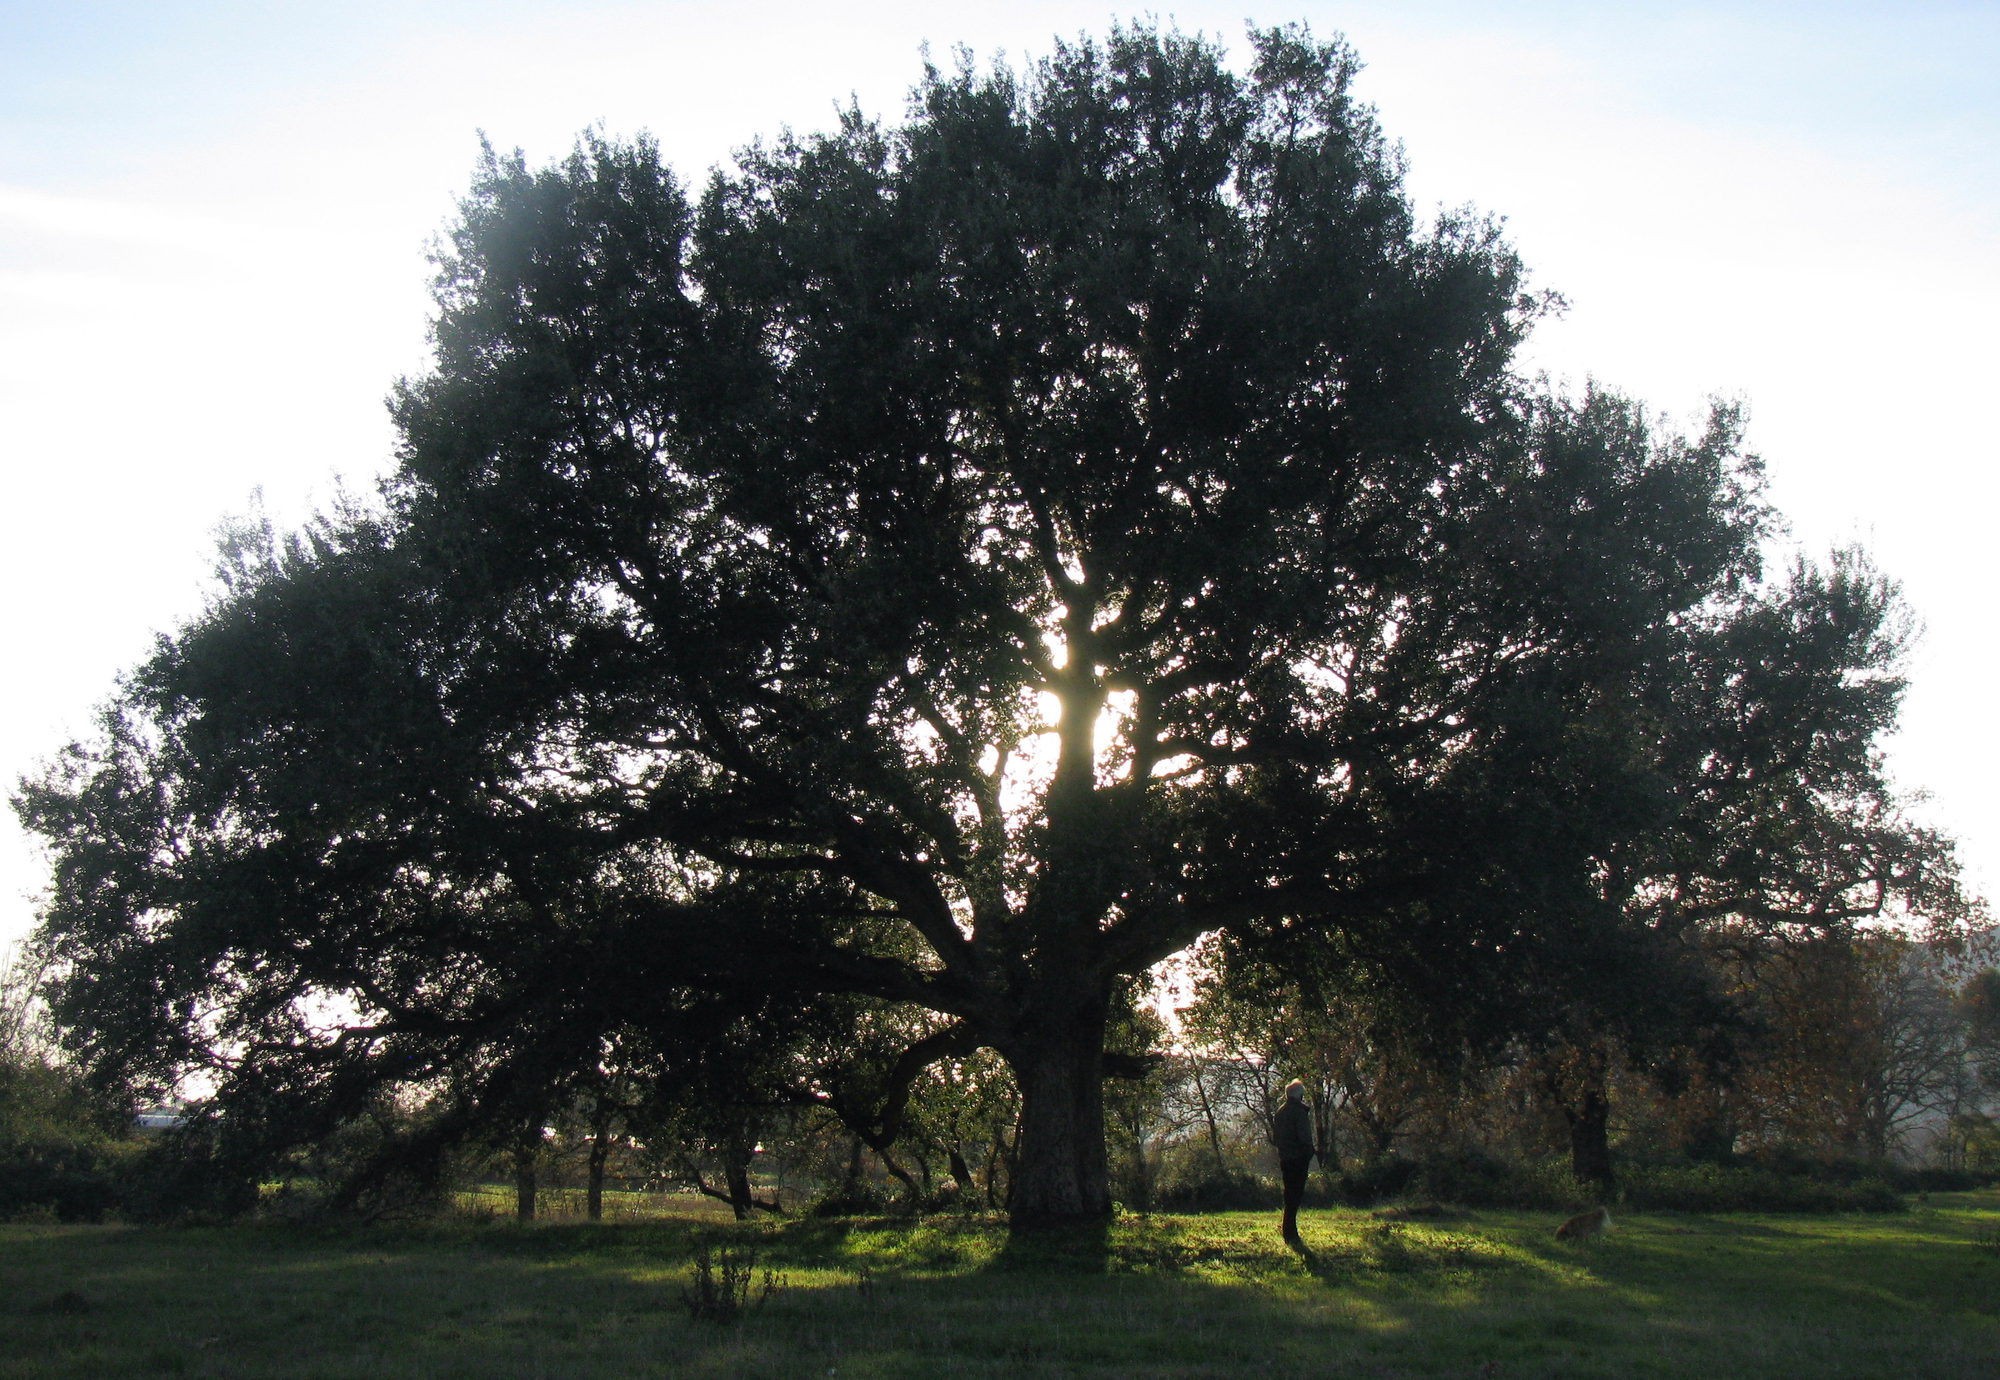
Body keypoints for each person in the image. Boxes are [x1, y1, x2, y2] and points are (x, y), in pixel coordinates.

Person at [1273, 1079, 1315, 1243]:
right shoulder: (1299, 1112)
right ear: (1300, 1095)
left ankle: (1288, 1229)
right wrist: (1308, 1152)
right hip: (1298, 1158)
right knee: (1295, 1194)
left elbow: (1277, 1137)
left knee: (1288, 1193)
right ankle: (1291, 1231)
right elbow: (1304, 1137)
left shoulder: (1280, 1112)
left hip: (1285, 1157)